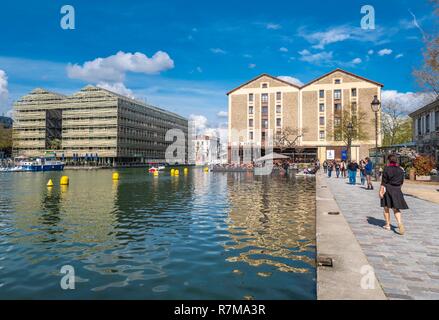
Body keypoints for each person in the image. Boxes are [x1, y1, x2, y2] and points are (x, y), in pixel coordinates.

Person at [379, 154, 408, 235]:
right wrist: (398, 189)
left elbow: (383, 182)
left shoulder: (387, 169)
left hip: (388, 189)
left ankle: (388, 225)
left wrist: (380, 191)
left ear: (388, 160)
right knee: (396, 208)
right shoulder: (401, 170)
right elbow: (401, 182)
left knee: (386, 207)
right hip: (397, 189)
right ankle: (399, 223)